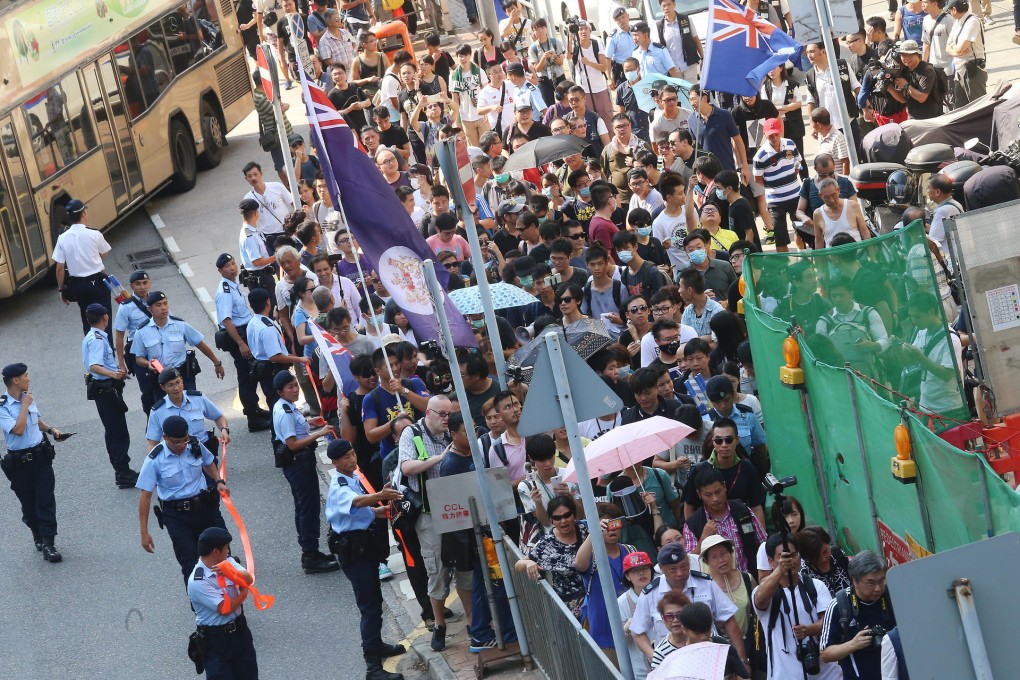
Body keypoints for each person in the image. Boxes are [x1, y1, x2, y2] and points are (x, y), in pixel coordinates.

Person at [324, 439, 406, 680]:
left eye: (353, 454)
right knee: (369, 606)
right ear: (335, 462)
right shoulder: (339, 486)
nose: (352, 459)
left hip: (364, 546)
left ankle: (376, 645)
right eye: (346, 457)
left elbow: (364, 510)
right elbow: (357, 502)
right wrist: (380, 495)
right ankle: (373, 667)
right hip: (353, 552)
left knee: (375, 601)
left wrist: (382, 510)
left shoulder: (352, 478)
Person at [397, 395, 463, 651]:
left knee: (465, 567)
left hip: (456, 509)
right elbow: (406, 468)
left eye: (450, 415)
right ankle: (439, 624)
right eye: (442, 414)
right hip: (427, 513)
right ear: (428, 412)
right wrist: (440, 458)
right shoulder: (411, 434)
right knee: (436, 569)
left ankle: (473, 622)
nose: (447, 419)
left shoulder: (453, 432)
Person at [137, 415, 227, 580]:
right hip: (177, 516)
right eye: (176, 442)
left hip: (204, 507)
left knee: (221, 556)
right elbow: (145, 496)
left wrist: (218, 481)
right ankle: (200, 604)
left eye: (184, 440)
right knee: (191, 565)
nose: (182, 445)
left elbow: (208, 462)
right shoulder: (154, 460)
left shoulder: (193, 444)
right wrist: (144, 532)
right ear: (164, 438)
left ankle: (228, 600)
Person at [630, 543, 747, 667]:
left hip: (709, 659)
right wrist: (654, 655)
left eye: (684, 567)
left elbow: (729, 619)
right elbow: (638, 632)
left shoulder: (705, 583)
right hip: (672, 664)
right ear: (661, 568)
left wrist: (742, 660)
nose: (680, 573)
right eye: (673, 570)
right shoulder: (651, 593)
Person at [272, 370, 339, 574]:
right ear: (280, 392)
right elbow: (292, 444)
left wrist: (310, 422)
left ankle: (311, 549)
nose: (295, 389)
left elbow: (296, 427)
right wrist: (319, 433)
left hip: (300, 462)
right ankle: (310, 554)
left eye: (295, 385)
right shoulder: (284, 412)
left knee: (304, 507)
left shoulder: (287, 407)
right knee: (308, 508)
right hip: (298, 462)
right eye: (290, 387)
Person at [0, 363, 65, 562]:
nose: (29, 378)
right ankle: (37, 533)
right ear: (15, 381)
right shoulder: (3, 406)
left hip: (40, 458)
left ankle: (49, 543)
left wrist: (51, 430)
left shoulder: (27, 397)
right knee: (29, 505)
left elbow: (35, 420)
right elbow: (18, 430)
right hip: (19, 464)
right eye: (25, 376)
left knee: (45, 500)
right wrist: (25, 405)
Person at [754, 533, 841, 680]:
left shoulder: (815, 585)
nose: (790, 561)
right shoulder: (764, 591)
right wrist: (780, 570)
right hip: (785, 675)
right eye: (782, 558)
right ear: (770, 561)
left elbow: (828, 622)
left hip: (826, 673)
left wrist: (809, 630)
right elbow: (760, 600)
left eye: (793, 555)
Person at [187, 527, 259, 679]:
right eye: (226, 548)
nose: (228, 551)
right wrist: (244, 593)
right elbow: (225, 608)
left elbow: (248, 579)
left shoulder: (227, 562)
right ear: (215, 552)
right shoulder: (198, 581)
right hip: (216, 642)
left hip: (240, 634)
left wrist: (232, 573)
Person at [133, 291, 224, 405]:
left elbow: (200, 344)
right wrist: (148, 364)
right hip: (161, 380)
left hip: (183, 376)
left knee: (191, 407)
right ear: (150, 309)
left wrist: (217, 364)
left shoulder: (180, 325)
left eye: (165, 303)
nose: (163, 308)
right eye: (158, 305)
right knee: (166, 412)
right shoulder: (142, 331)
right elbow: (138, 358)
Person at [82, 303, 137, 488]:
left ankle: (122, 470)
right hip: (105, 390)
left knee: (114, 430)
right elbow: (94, 365)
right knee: (117, 431)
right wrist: (114, 374)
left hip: (104, 389)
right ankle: (123, 472)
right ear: (105, 317)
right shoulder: (97, 339)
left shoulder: (93, 336)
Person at [214, 254, 270, 432]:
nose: (232, 267)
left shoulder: (233, 285)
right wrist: (240, 343)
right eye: (227, 266)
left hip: (246, 332)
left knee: (253, 373)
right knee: (247, 376)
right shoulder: (224, 292)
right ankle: (253, 418)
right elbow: (226, 320)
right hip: (239, 335)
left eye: (233, 263)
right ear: (220, 271)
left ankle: (255, 409)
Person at [820, 551, 897, 680]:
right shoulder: (840, 605)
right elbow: (825, 654)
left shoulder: (892, 596)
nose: (878, 588)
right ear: (855, 580)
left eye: (881, 580)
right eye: (871, 583)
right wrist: (854, 644)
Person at [576, 503, 635, 662]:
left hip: (634, 631)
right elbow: (579, 564)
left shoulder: (630, 551)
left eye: (615, 524)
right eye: (606, 525)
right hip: (604, 634)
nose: (612, 530)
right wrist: (593, 532)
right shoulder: (592, 555)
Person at [894, 291, 965, 414]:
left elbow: (947, 375)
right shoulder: (922, 332)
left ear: (931, 312)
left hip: (949, 409)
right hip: (926, 406)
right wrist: (897, 349)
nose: (913, 321)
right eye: (911, 316)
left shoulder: (950, 340)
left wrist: (921, 358)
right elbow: (910, 361)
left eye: (917, 316)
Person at [516, 494, 589, 614]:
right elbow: (518, 565)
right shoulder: (548, 542)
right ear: (552, 520)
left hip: (596, 593)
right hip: (572, 607)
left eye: (567, 515)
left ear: (574, 515)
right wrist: (529, 563)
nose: (563, 521)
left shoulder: (584, 529)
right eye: (558, 518)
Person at [53, 199, 112, 334]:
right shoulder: (94, 233)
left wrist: (61, 290)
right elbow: (105, 253)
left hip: (79, 285)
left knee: (88, 322)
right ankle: (107, 352)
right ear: (84, 214)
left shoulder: (62, 238)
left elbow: (59, 268)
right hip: (98, 282)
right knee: (105, 321)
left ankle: (91, 351)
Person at [752, 118, 803, 253]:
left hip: (795, 197)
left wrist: (790, 179)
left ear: (780, 131)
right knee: (780, 237)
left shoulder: (790, 144)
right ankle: (785, 268)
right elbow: (758, 179)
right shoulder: (760, 156)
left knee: (801, 228)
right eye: (770, 135)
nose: (774, 138)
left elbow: (797, 165)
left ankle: (803, 256)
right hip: (776, 202)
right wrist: (773, 188)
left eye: (776, 134)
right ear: (765, 135)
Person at [687, 85, 749, 182]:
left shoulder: (724, 115)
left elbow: (738, 140)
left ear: (704, 98)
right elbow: (693, 147)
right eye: (690, 100)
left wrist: (744, 165)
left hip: (726, 169)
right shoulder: (691, 120)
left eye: (694, 99)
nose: (692, 103)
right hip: (706, 175)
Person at [571, 21, 614, 128]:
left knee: (606, 116)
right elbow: (567, 55)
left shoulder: (596, 44)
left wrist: (589, 63)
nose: (583, 31)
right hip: (584, 89)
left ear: (590, 31)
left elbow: (603, 67)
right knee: (588, 118)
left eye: (586, 28)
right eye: (580, 29)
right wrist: (570, 35)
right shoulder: (574, 46)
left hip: (600, 87)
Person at [242, 161, 294, 248]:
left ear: (261, 174)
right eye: (250, 176)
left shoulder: (277, 187)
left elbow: (293, 203)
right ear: (246, 179)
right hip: (269, 237)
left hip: (287, 232)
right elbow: (248, 222)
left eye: (255, 174)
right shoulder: (248, 199)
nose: (253, 178)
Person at [887, 40, 942, 119]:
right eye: (903, 55)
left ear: (917, 55)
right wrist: (889, 88)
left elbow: (921, 98)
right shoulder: (905, 70)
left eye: (909, 55)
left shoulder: (926, 70)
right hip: (912, 117)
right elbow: (903, 99)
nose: (906, 58)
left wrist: (906, 85)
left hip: (929, 118)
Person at [946, 0, 987, 107]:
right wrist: (958, 51)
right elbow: (947, 48)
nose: (949, 13)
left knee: (979, 107)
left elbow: (959, 49)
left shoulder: (973, 21)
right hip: (959, 71)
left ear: (954, 10)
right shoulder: (957, 22)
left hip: (973, 70)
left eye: (949, 11)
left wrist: (956, 50)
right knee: (961, 108)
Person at [813, 178, 871, 247]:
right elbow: (819, 241)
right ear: (820, 196)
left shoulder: (852, 205)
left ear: (838, 190)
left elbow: (864, 231)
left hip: (857, 255)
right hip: (834, 257)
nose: (831, 200)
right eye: (826, 197)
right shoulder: (818, 214)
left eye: (833, 195)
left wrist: (871, 255)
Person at [656, 0, 703, 83]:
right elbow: (660, 47)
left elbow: (695, 39)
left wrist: (703, 57)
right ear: (661, 8)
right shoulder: (659, 25)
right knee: (679, 93)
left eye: (669, 4)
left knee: (691, 90)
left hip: (689, 64)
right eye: (664, 6)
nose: (666, 8)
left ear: (674, 5)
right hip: (673, 68)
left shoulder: (686, 19)